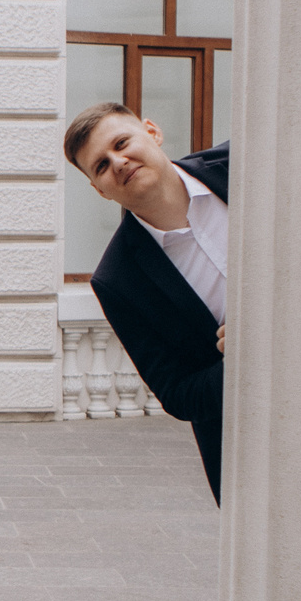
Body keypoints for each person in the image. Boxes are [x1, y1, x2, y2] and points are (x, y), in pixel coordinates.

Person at [65, 104, 229, 501]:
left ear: (152, 132)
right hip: (252, 444)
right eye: (101, 166)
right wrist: (243, 362)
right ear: (99, 190)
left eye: (122, 143)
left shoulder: (244, 162)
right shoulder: (117, 280)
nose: (118, 162)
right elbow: (177, 393)